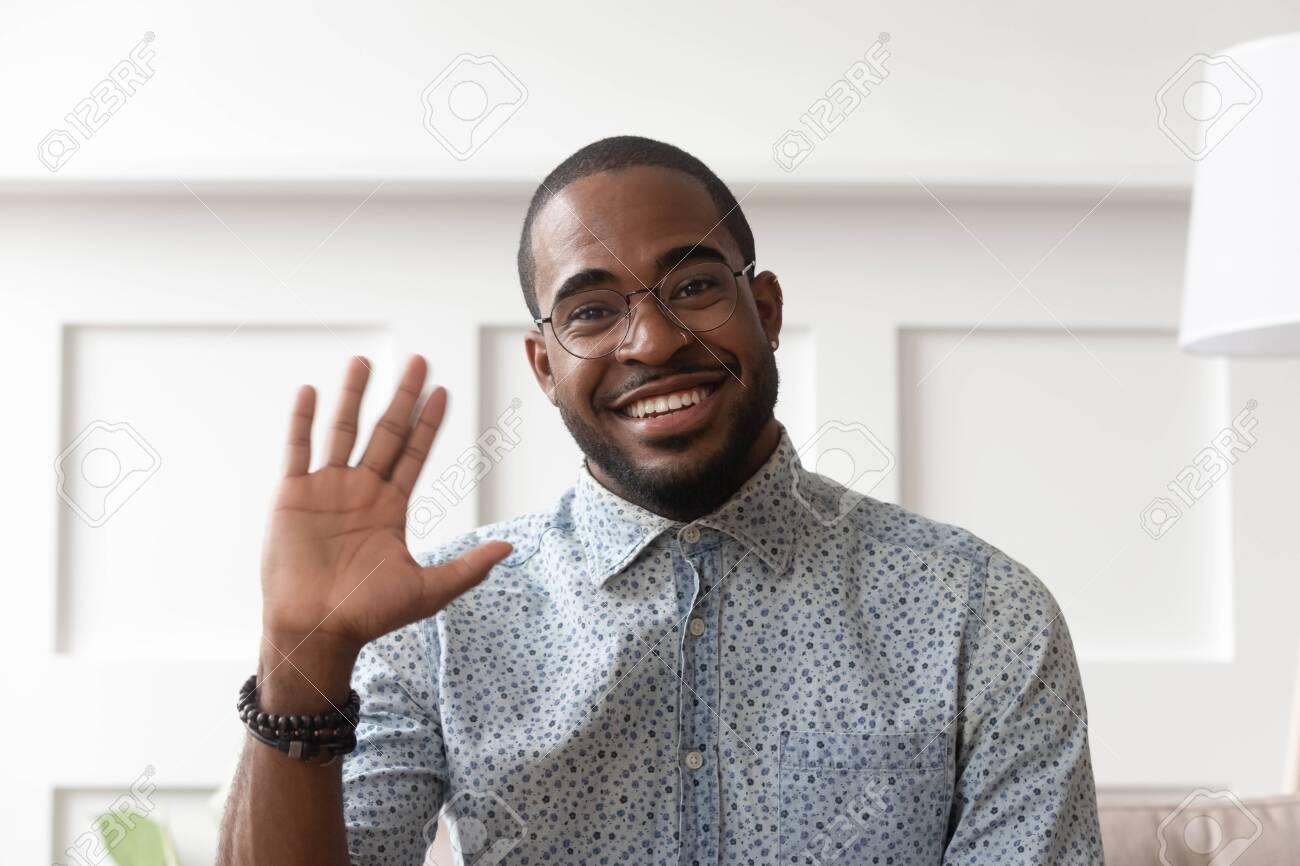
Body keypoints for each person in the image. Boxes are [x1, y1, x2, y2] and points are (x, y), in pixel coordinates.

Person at [217, 135, 1105, 865]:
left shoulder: (981, 614)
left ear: (766, 309)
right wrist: (302, 653)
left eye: (693, 287)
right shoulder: (440, 622)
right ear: (544, 367)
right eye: (591, 311)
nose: (652, 340)